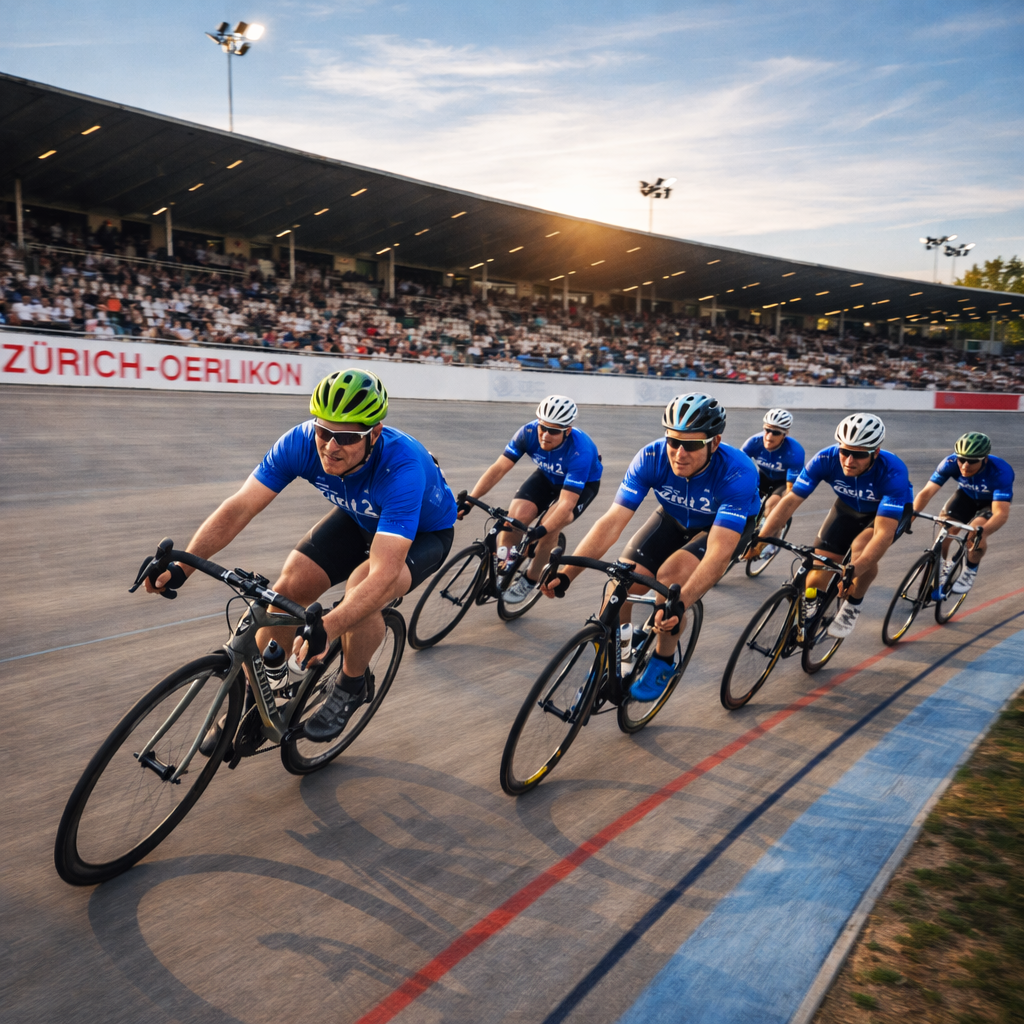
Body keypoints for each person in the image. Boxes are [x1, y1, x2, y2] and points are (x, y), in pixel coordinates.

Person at [145, 368, 457, 742]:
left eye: (347, 437)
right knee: (288, 587)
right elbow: (241, 507)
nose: (331, 446)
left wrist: (330, 627)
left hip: (424, 534)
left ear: (374, 434)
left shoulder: (401, 468)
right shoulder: (300, 442)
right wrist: (183, 565)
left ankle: (352, 684)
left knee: (362, 590)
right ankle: (258, 704)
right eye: (324, 432)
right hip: (361, 516)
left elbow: (384, 574)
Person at [541, 393, 760, 701]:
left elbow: (718, 552)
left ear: (714, 442)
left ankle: (663, 660)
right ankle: (619, 656)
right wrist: (567, 573)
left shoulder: (737, 471)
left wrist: (681, 603)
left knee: (671, 582)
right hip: (673, 517)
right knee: (620, 582)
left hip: (719, 528)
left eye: (692, 445)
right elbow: (611, 522)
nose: (679, 454)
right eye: (673, 441)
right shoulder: (651, 457)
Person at [757, 413, 913, 640]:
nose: (849, 461)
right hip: (848, 507)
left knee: (861, 548)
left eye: (859, 455)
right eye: (845, 452)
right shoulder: (825, 459)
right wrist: (762, 538)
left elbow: (883, 534)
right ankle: (811, 611)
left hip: (886, 513)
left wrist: (853, 572)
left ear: (876, 452)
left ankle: (852, 605)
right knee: (818, 570)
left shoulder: (893, 472)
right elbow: (790, 500)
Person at [463, 395, 603, 604]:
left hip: (581, 487)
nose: (545, 435)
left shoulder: (580, 450)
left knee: (550, 529)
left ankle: (530, 579)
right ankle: (506, 563)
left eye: (553, 431)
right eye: (542, 427)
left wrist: (541, 531)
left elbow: (566, 504)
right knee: (514, 519)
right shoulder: (527, 433)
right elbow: (499, 468)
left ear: (567, 431)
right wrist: (470, 500)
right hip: (547, 476)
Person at [912, 432, 1013, 594]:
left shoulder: (1001, 472)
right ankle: (941, 567)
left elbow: (1001, 513)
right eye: (962, 459)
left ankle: (970, 570)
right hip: (965, 497)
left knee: (974, 533)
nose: (965, 465)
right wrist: (910, 517)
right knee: (946, 529)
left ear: (985, 459)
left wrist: (983, 532)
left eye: (972, 461)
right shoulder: (949, 463)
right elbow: (926, 492)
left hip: (990, 504)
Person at [740, 408, 805, 558]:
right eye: (767, 430)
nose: (769, 436)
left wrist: (781, 513)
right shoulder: (754, 442)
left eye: (775, 432)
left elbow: (790, 490)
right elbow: (739, 466)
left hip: (783, 482)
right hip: (762, 476)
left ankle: (771, 542)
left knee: (772, 506)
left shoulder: (794, 452)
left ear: (785, 434)